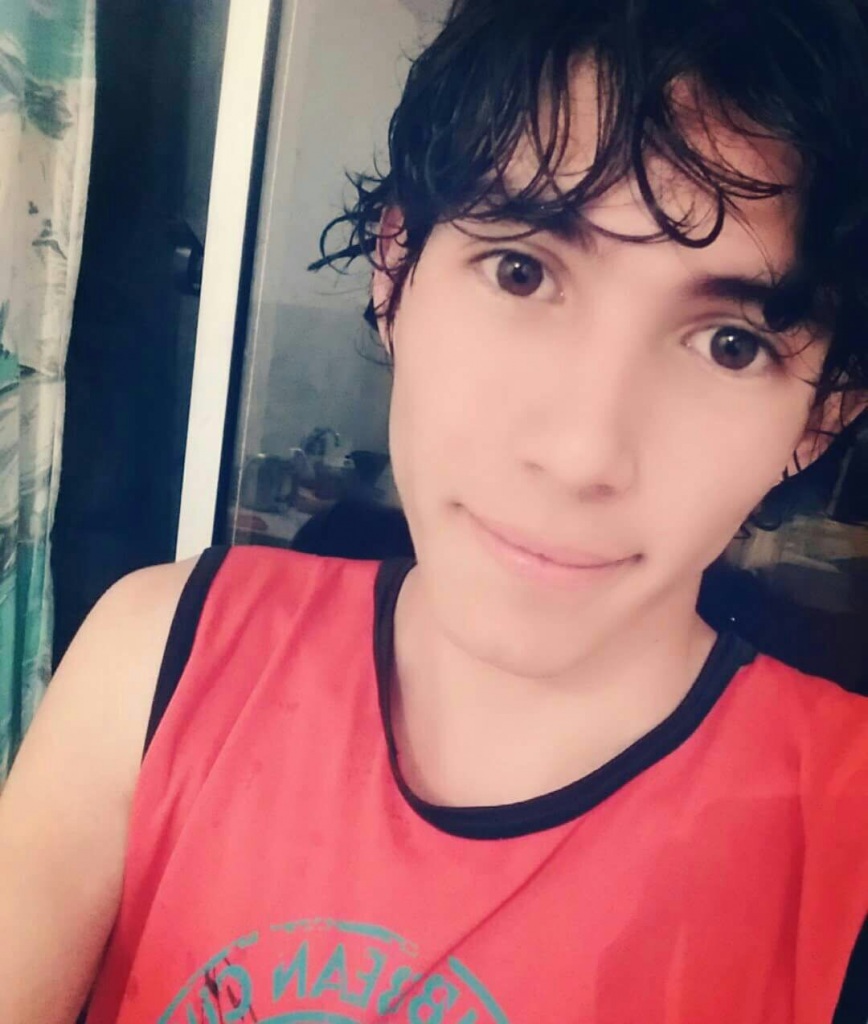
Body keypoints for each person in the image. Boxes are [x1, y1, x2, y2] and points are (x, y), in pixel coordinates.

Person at [2, 0, 868, 1020]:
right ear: (396, 270)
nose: (581, 454)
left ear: (823, 415)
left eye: (730, 344)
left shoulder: (839, 836)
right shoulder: (159, 658)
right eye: (521, 271)